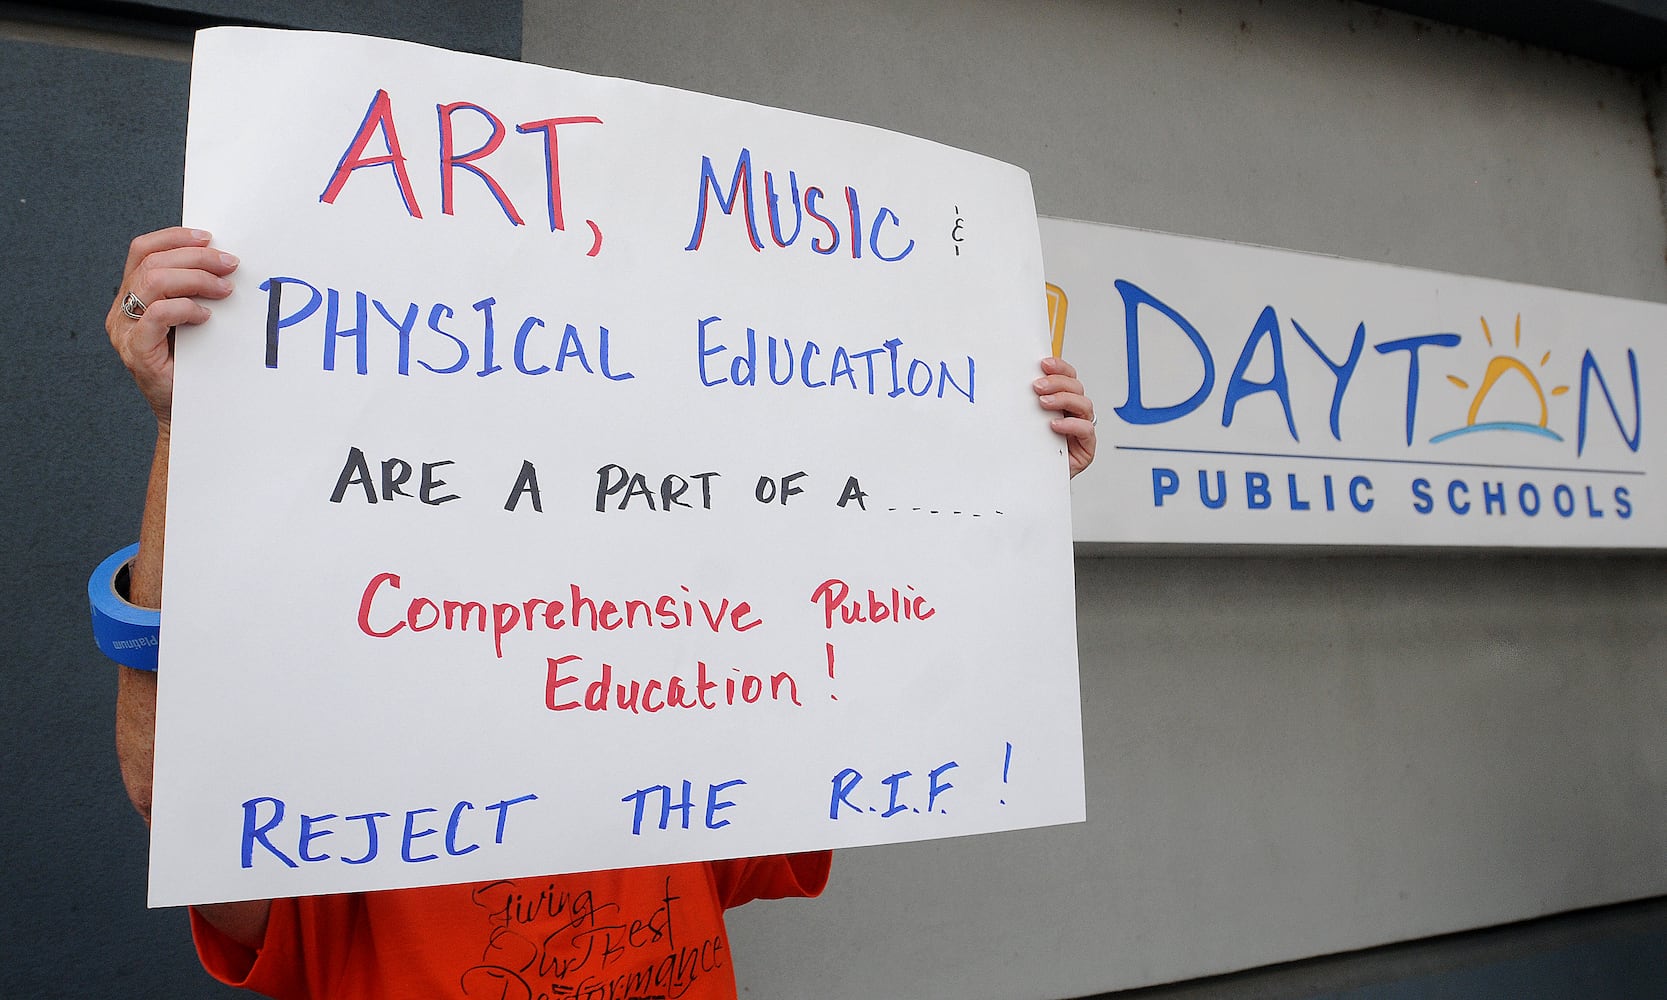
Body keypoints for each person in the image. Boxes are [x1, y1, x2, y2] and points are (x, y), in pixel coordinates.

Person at [103, 226, 1099, 998]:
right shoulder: (338, 791)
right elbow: (173, 790)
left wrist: (995, 478)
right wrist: (185, 429)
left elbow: (872, 681)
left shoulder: (662, 725)